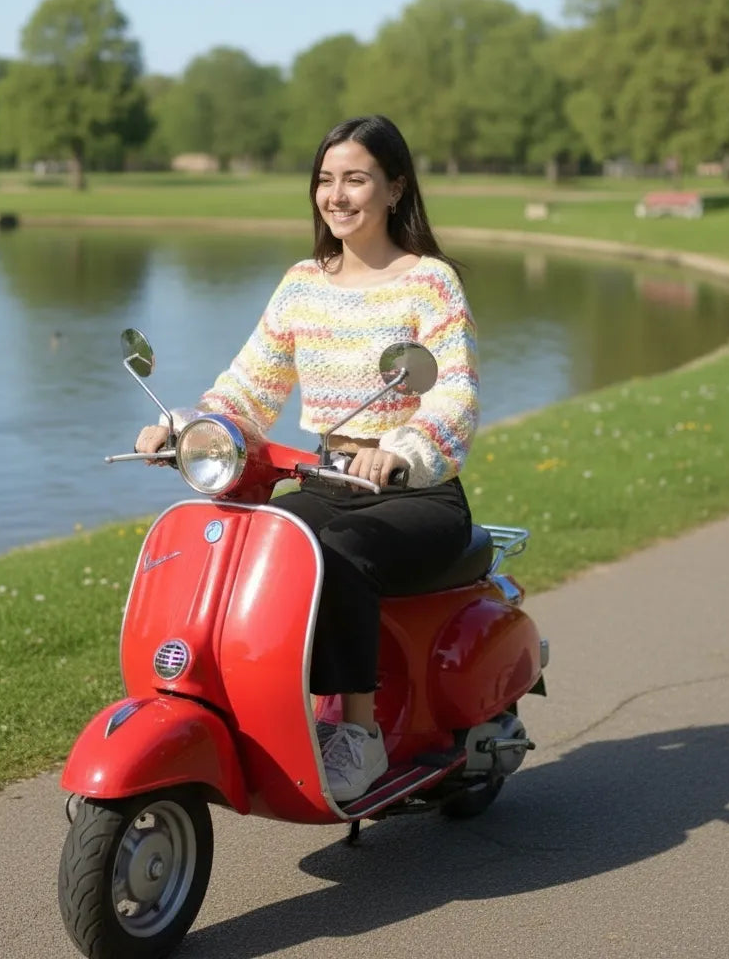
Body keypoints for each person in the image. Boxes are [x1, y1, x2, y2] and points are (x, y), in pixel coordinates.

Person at [135, 115, 479, 802]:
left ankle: (357, 736)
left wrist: (399, 451)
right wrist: (186, 427)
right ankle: (254, 704)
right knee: (260, 543)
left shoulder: (429, 283)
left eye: (357, 179)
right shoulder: (302, 284)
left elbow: (454, 398)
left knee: (336, 552)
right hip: (326, 479)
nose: (338, 194)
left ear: (394, 188)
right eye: (326, 179)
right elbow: (249, 386)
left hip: (416, 492)